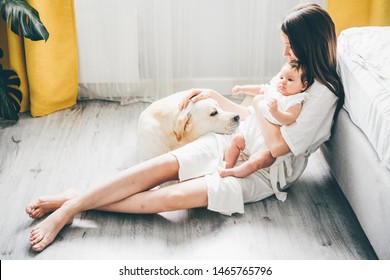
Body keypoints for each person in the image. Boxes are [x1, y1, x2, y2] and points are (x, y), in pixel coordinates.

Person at [25, 3, 344, 252]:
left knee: (164, 201)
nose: (284, 54)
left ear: (310, 44)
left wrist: (261, 105)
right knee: (155, 170)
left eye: (290, 47)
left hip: (259, 174)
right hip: (236, 142)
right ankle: (71, 205)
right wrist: (216, 96)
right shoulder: (294, 70)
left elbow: (277, 147)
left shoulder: (323, 93)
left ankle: (72, 204)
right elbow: (253, 117)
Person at [219, 61, 313, 178]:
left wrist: (276, 112)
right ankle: (227, 166)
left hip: (267, 144)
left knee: (258, 161)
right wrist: (243, 88)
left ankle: (234, 172)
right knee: (236, 140)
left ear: (303, 86)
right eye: (281, 77)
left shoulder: (295, 101)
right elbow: (259, 89)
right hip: (252, 133)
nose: (283, 81)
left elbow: (289, 118)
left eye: (290, 80)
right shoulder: (274, 90)